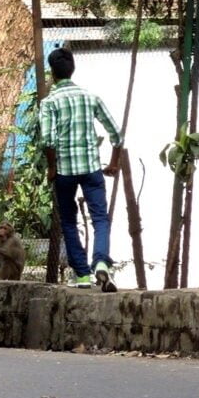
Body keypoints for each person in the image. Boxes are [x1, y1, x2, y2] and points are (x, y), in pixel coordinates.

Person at [39, 47, 123, 292]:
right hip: (92, 169)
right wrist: (114, 162)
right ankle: (101, 263)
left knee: (68, 221)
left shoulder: (49, 102)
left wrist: (52, 167)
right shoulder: (90, 97)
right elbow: (116, 133)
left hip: (64, 171)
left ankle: (83, 275)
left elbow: (48, 139)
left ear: (53, 74)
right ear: (72, 69)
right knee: (100, 218)